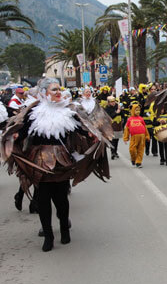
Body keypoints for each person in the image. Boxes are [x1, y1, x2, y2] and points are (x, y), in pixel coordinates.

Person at [1, 78, 110, 252]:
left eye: (59, 89)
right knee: (43, 198)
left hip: (62, 159)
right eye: (54, 90)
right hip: (40, 160)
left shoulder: (68, 111)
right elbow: (22, 130)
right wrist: (15, 137)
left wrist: (91, 135)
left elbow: (79, 129)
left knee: (61, 197)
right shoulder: (33, 112)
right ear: (44, 93)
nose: (58, 92)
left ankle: (64, 228)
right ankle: (48, 235)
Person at [123, 103, 149, 168]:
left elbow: (145, 128)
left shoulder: (141, 119)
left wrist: (147, 136)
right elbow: (127, 129)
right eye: (136, 110)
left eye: (139, 110)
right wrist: (125, 138)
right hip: (134, 137)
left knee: (141, 149)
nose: (138, 112)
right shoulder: (129, 119)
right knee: (132, 149)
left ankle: (138, 162)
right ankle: (133, 159)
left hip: (142, 136)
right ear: (132, 110)